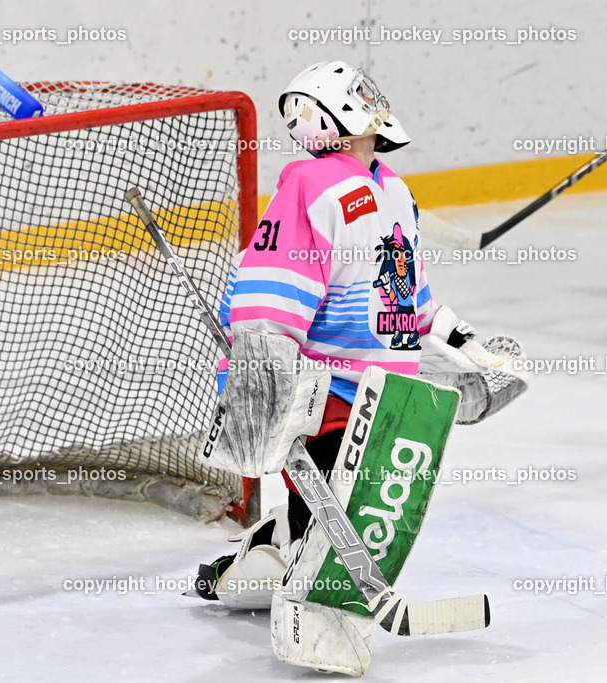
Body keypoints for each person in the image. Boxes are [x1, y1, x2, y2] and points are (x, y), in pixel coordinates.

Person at [192, 60, 527, 675]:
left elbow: (408, 293)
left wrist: (467, 346)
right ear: (339, 115)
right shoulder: (309, 184)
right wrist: (265, 377)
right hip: (325, 385)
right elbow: (271, 288)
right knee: (333, 508)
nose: (374, 102)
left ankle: (268, 559)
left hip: (381, 384)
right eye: (360, 96)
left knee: (353, 507)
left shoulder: (393, 190)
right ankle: (284, 585)